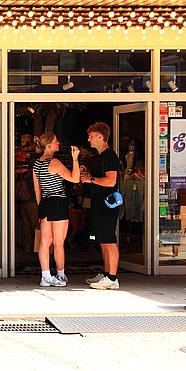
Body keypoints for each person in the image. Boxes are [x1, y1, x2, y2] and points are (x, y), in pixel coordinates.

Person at [32, 132, 80, 287]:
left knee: (45, 242)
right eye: (55, 141)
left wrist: (41, 206)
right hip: (58, 201)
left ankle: (45, 276)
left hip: (45, 203)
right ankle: (60, 274)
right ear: (48, 146)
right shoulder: (54, 163)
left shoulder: (37, 164)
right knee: (58, 242)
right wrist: (75, 159)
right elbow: (75, 178)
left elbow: (37, 189)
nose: (58, 143)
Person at [81, 122, 121, 290]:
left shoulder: (110, 156)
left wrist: (90, 179)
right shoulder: (99, 156)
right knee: (103, 240)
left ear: (100, 136)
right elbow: (99, 178)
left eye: (91, 136)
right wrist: (88, 174)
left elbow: (111, 181)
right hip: (99, 202)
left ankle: (112, 277)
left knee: (109, 240)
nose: (88, 139)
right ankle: (106, 273)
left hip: (108, 204)